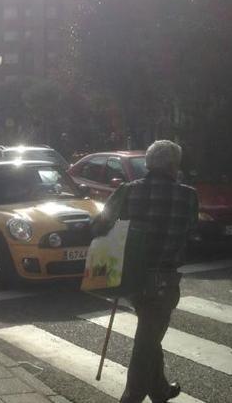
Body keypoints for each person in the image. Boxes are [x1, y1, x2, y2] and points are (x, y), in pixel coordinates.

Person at [93, 140, 198, 403]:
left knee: (150, 334)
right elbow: (191, 229)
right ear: (175, 166)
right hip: (164, 280)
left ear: (149, 164)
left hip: (132, 277)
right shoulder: (189, 195)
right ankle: (132, 398)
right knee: (148, 339)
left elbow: (100, 224)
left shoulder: (128, 191)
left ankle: (160, 390)